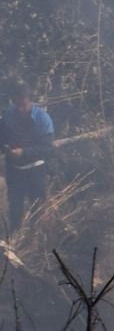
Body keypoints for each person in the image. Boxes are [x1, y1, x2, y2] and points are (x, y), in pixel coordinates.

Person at [2, 86, 55, 234]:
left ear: (31, 102)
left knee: (37, 206)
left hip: (35, 169)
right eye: (17, 105)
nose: (20, 109)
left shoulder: (42, 118)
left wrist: (24, 152)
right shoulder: (8, 115)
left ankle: (37, 238)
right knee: (15, 206)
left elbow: (47, 148)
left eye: (23, 105)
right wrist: (6, 148)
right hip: (14, 169)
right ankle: (14, 238)